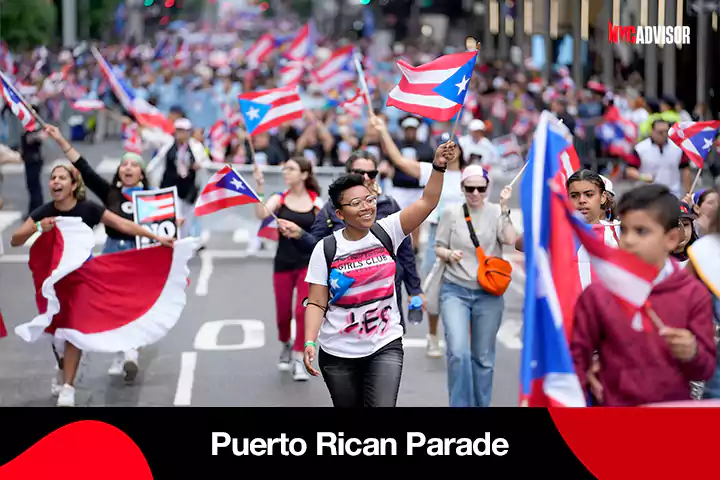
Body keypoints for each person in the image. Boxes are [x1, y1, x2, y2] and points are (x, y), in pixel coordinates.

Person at [301, 141, 454, 407]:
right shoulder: (326, 249)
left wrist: (439, 166)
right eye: (356, 203)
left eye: (369, 200)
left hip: (384, 343)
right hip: (338, 352)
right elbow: (316, 301)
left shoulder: (388, 229)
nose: (366, 207)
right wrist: (310, 341)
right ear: (339, 213)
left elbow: (428, 202)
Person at [10, 162, 174, 407]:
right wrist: (37, 227)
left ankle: (68, 387)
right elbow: (15, 240)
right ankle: (62, 367)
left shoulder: (88, 209)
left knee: (73, 328)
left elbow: (121, 224)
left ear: (74, 185)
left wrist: (156, 237)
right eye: (53, 178)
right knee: (56, 332)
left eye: (62, 178)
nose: (56, 182)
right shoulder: (45, 211)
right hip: (53, 282)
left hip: (83, 278)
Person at [42, 124, 176, 383]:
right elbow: (85, 169)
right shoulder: (110, 194)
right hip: (113, 254)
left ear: (141, 173)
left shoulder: (153, 198)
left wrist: (173, 228)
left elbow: (165, 224)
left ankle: (130, 350)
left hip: (140, 256)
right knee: (113, 304)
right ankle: (121, 350)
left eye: (134, 165)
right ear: (118, 172)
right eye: (124, 164)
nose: (127, 168)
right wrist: (60, 140)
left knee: (135, 304)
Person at [571, 184, 716, 406]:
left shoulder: (692, 293)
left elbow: (705, 368)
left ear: (671, 238)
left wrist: (692, 351)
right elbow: (576, 357)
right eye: (625, 230)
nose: (628, 240)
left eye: (642, 231)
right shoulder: (599, 294)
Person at [277, 150, 423, 332]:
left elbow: (405, 251)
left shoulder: (389, 205)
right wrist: (299, 234)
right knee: (351, 350)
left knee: (390, 345)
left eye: (371, 173)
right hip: (347, 295)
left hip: (386, 292)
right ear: (348, 175)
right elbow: (318, 247)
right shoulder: (332, 208)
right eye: (359, 173)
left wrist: (415, 290)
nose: (366, 177)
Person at [370, 116, 466, 358]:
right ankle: (433, 335)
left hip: (465, 236)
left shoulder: (470, 176)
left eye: (453, 146)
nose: (449, 151)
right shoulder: (430, 171)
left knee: (464, 286)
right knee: (434, 287)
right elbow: (399, 160)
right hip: (438, 234)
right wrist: (383, 131)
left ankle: (461, 339)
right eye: (445, 147)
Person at [434, 164, 516, 407]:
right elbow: (437, 246)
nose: (476, 193)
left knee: (483, 358)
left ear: (488, 188)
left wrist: (504, 208)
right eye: (470, 188)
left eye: (481, 188)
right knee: (458, 353)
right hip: (455, 289)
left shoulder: (495, 211)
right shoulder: (451, 213)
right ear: (462, 188)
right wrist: (449, 254)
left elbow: (510, 239)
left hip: (488, 293)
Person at [253, 157, 323, 380]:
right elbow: (261, 214)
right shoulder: (279, 199)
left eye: (291, 169)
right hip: (283, 262)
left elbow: (323, 233)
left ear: (304, 174)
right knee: (283, 315)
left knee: (302, 312)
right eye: (285, 168)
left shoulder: (316, 202)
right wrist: (260, 187)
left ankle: (299, 357)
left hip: (308, 264)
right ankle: (285, 343)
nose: (286, 172)